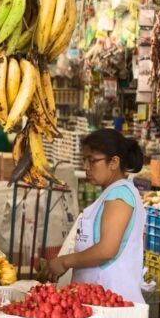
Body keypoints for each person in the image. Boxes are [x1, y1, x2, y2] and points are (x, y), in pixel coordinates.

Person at [45, 129, 145, 303]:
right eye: (84, 160)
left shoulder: (120, 195)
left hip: (113, 299)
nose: (86, 167)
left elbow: (107, 249)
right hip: (99, 299)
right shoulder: (111, 193)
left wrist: (64, 262)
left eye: (92, 161)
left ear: (114, 162)